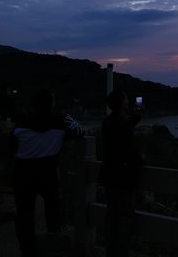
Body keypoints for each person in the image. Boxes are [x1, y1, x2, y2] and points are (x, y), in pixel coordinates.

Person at [10, 89, 85, 257]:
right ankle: (54, 238)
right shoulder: (62, 119)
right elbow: (80, 131)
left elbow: (12, 145)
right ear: (52, 103)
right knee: (53, 205)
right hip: (47, 170)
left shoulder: (21, 122)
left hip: (22, 171)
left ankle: (28, 249)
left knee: (24, 212)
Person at [99, 89, 143, 257]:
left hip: (109, 176)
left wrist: (136, 115)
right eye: (125, 99)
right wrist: (141, 160)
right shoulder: (123, 124)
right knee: (124, 217)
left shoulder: (107, 122)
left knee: (111, 215)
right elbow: (128, 147)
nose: (128, 101)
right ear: (121, 102)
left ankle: (110, 252)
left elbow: (126, 126)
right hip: (123, 179)